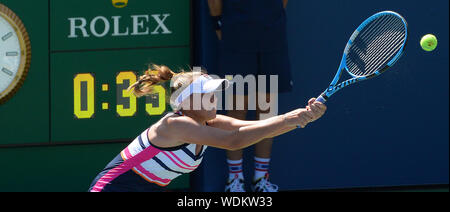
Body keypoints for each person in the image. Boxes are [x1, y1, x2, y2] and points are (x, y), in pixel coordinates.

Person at [88, 64, 326, 192]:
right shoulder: (175, 125)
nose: (214, 97)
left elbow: (255, 128)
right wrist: (288, 119)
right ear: (187, 102)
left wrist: (300, 118)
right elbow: (235, 140)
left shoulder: (207, 122)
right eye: (207, 93)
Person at [207, 0, 292, 192]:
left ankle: (261, 179)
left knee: (267, 111)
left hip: (272, 39)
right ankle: (234, 180)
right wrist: (219, 24)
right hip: (236, 40)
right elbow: (214, 3)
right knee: (237, 110)